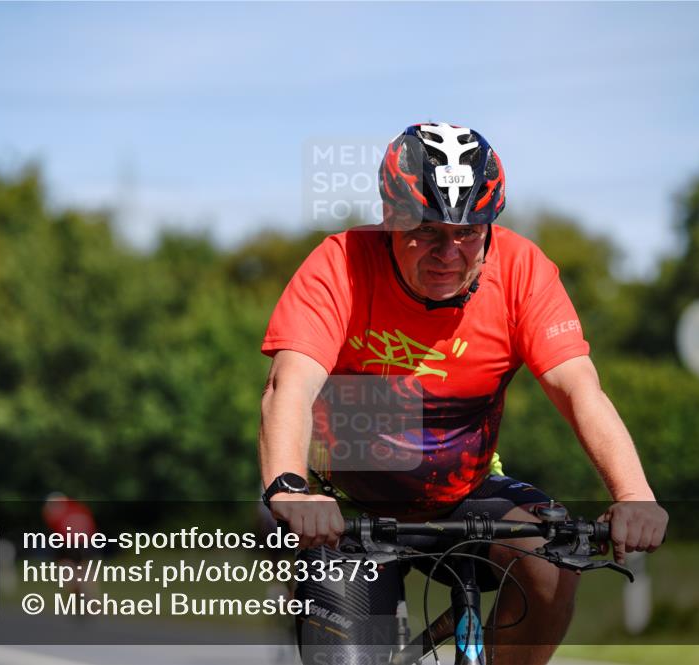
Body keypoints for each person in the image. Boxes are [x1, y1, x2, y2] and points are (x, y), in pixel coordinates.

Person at [258, 122, 668, 664]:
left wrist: (633, 494)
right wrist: (289, 492)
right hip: (346, 511)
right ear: (389, 217)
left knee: (551, 562)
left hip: (466, 493)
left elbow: (579, 388)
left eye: (469, 232)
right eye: (425, 230)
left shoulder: (522, 270)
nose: (448, 252)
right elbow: (288, 385)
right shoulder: (340, 266)